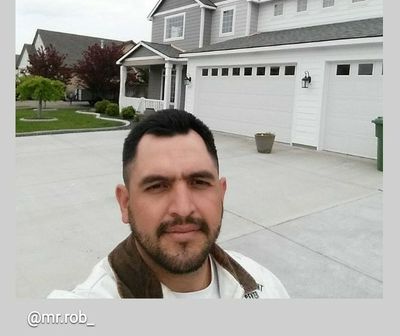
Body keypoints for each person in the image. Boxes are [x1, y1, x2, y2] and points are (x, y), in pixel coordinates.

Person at [48, 109, 289, 299]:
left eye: (199, 182)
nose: (183, 209)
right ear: (125, 203)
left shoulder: (265, 284)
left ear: (221, 194)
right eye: (157, 186)